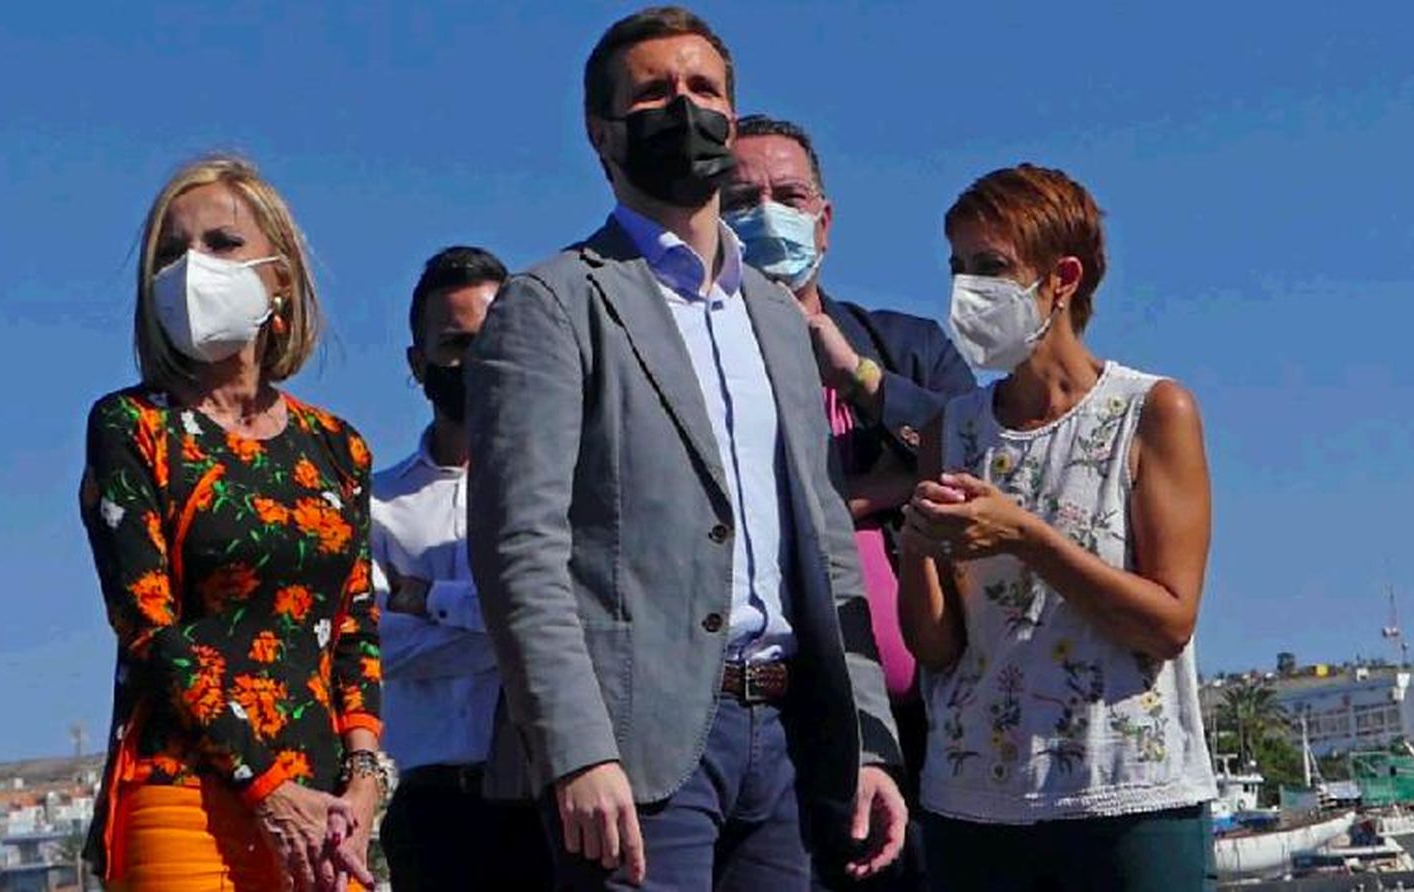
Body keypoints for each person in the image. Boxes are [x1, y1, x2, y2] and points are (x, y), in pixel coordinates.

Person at [465, 7, 908, 891]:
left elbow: (828, 545)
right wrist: (576, 748)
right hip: (635, 748)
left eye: (703, 89)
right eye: (653, 93)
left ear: (730, 119)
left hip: (786, 742)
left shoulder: (777, 317)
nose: (682, 108)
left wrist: (870, 741)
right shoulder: (554, 304)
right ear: (601, 132)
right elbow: (520, 549)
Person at [897, 164, 1217, 890]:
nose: (967, 290)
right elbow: (939, 648)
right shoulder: (953, 430)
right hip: (975, 805)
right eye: (957, 267)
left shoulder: (1152, 412)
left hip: (1126, 797)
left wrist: (1025, 537)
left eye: (990, 268)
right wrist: (916, 547)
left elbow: (1169, 622)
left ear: (1062, 278)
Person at [79, 155, 384, 892]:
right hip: (185, 796)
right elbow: (149, 628)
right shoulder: (134, 427)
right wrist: (267, 787)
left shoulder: (337, 448)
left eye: (220, 243)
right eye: (171, 253)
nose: (192, 268)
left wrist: (364, 782)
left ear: (280, 277)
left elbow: (354, 628)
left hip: (323, 814)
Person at [724, 112, 975, 812]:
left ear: (824, 222)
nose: (767, 216)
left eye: (788, 196)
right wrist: (880, 489)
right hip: (779, 737)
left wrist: (860, 380)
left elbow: (984, 458)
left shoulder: (908, 348)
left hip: (938, 732)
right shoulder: (698, 376)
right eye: (742, 201)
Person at [372, 246, 551, 891]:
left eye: (490, 341)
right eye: (454, 344)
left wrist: (430, 600)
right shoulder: (376, 506)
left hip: (550, 806)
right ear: (417, 363)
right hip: (435, 813)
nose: (474, 362)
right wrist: (517, 631)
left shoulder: (566, 491)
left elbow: (573, 625)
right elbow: (380, 647)